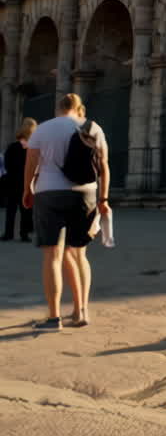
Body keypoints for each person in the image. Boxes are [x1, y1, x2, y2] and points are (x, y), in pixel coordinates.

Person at [22, 93, 110, 330]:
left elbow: (31, 162)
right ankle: (81, 311)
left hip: (49, 192)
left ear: (58, 108)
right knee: (79, 254)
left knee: (53, 255)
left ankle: (53, 318)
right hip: (85, 193)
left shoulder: (44, 129)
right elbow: (103, 165)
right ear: (79, 108)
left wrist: (27, 189)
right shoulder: (93, 128)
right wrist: (104, 198)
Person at [2, 118, 37, 242]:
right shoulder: (33, 149)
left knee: (11, 209)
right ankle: (24, 234)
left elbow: (6, 164)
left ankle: (8, 233)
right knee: (26, 209)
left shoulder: (12, 147)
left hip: (12, 182)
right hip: (27, 182)